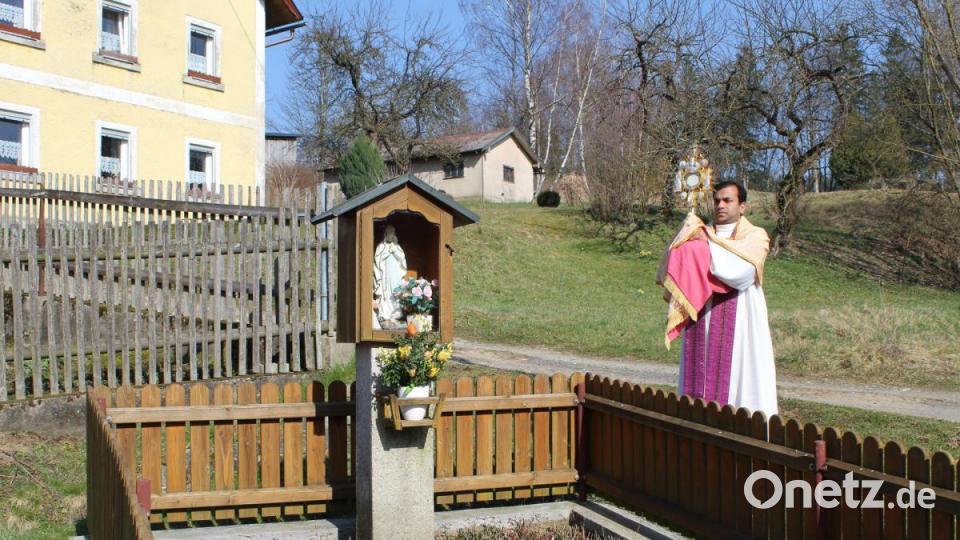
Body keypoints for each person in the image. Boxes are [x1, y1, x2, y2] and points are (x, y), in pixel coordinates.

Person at [656, 180, 778, 418]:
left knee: (738, 379)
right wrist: (688, 237)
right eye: (717, 200)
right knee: (699, 377)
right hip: (702, 315)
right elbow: (675, 259)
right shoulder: (700, 233)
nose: (720, 205)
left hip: (740, 323)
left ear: (742, 206)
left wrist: (702, 249)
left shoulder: (756, 236)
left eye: (728, 200)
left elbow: (740, 273)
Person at [373, 224, 407, 329]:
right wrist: (388, 252)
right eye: (389, 233)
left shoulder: (397, 247)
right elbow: (377, 259)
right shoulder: (381, 247)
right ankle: (386, 315)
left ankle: (396, 315)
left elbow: (402, 259)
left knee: (396, 294)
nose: (391, 235)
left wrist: (395, 251)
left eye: (393, 233)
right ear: (385, 234)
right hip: (385, 276)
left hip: (395, 275)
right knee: (386, 294)